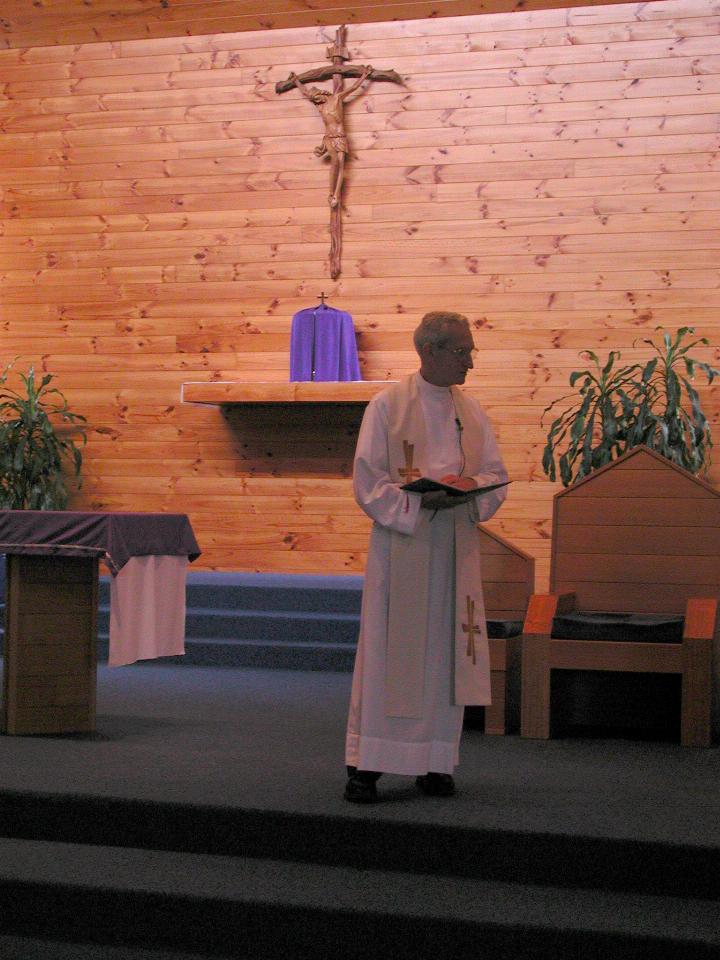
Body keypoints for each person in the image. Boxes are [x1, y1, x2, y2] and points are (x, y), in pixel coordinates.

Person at [344, 311, 508, 803]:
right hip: (405, 547)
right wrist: (418, 500)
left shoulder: (471, 411)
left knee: (444, 656)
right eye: (462, 351)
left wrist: (469, 490)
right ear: (430, 352)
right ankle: (368, 763)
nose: (470, 362)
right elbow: (368, 481)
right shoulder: (387, 407)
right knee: (391, 654)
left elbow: (494, 474)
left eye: (471, 350)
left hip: (455, 549)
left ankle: (435, 761)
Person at [290, 66, 372, 209]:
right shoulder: (320, 106)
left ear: (321, 94)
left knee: (341, 162)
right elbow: (304, 92)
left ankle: (336, 195)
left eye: (316, 98)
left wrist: (364, 75)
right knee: (335, 164)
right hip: (329, 137)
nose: (316, 101)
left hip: (340, 136)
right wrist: (296, 81)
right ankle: (330, 193)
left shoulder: (336, 98)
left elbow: (353, 88)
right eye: (314, 100)